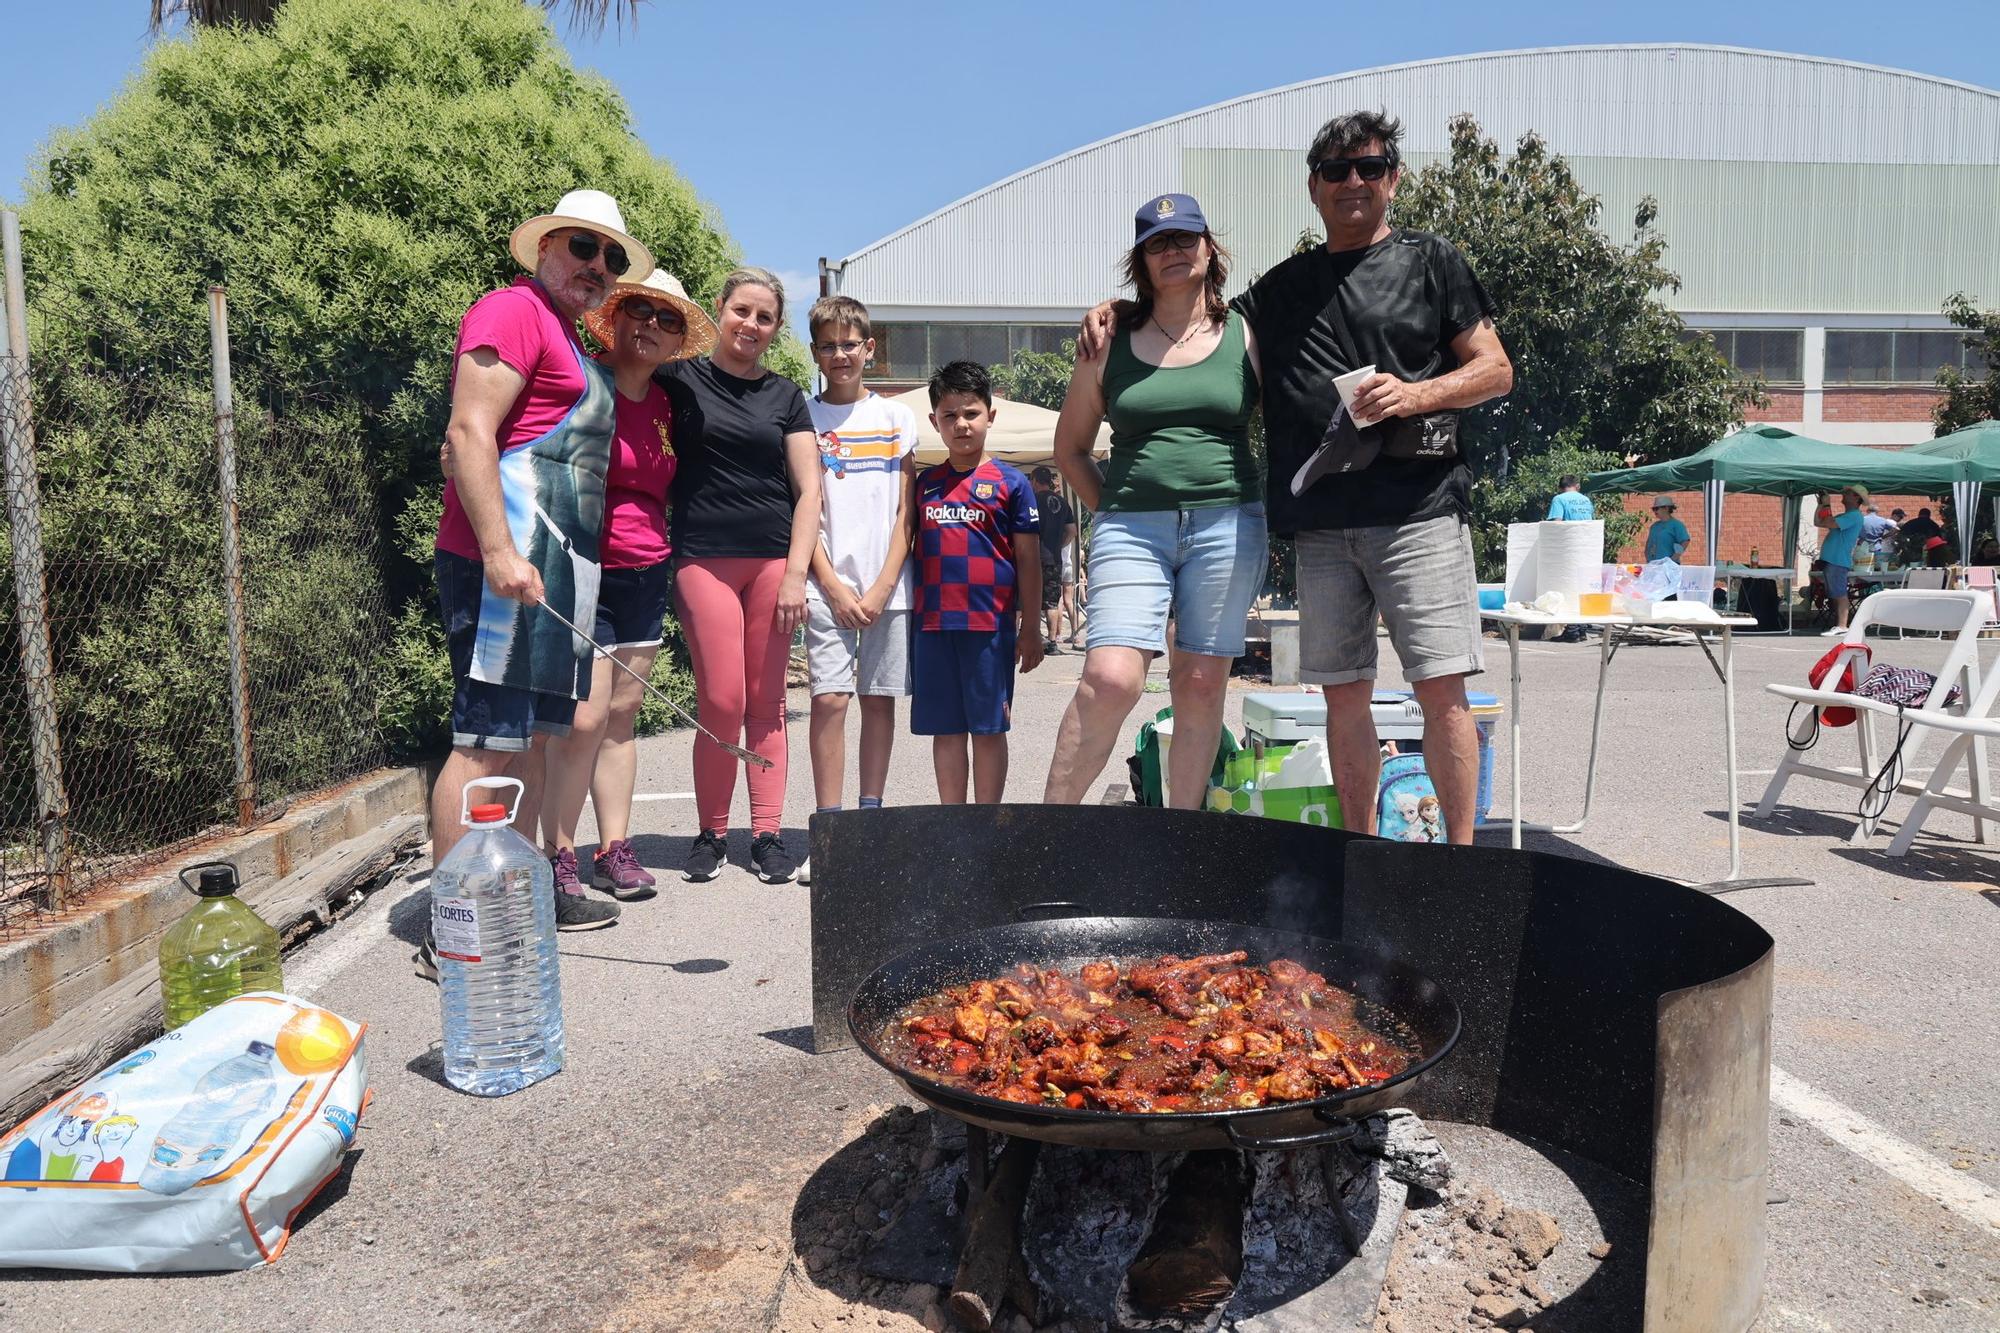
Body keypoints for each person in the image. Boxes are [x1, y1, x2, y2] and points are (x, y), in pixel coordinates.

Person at [1076, 110, 1512, 842]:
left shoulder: (1431, 261)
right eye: (1336, 171)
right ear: (1313, 186)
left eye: (1369, 168)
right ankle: (1356, 853)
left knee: (1440, 689)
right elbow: (1193, 320)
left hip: (1421, 512)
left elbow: (1495, 369)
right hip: (1323, 525)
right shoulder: (1281, 291)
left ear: (1393, 178)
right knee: (1344, 697)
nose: (1353, 182)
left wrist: (1416, 393)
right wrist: (1120, 309)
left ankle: (1459, 864)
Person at [429, 188, 653, 954]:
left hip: (556, 572)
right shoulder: (511, 310)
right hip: (507, 567)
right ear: (547, 246)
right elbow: (469, 429)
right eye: (584, 248)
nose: (597, 266)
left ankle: (512, 908)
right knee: (486, 743)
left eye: (612, 258)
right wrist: (497, 551)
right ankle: (454, 928)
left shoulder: (567, 335)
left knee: (525, 747)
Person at [1044, 192, 1267, 809]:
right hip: (1131, 529)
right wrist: (1116, 511)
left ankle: (1179, 839)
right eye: (1156, 243)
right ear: (1140, 261)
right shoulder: (1107, 339)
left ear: (1209, 248)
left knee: (1199, 683)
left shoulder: (1248, 333)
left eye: (1184, 238)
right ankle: (1045, 838)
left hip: (1228, 523)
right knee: (1110, 678)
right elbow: (1071, 450)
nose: (1172, 251)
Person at [542, 269, 716, 903]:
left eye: (668, 321)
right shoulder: (579, 381)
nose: (651, 326)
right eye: (640, 311)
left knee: (620, 717)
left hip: (647, 569)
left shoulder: (670, 405)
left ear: (677, 342)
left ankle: (613, 849)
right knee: (582, 719)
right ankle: (560, 855)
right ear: (614, 317)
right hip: (581, 566)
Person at [655, 268, 821, 884]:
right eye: (742, 311)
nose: (751, 325)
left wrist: (796, 575)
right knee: (722, 700)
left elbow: (809, 492)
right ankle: (712, 832)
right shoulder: (679, 378)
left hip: (774, 564)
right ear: (718, 311)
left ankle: (769, 834)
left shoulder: (786, 396)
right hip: (702, 558)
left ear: (776, 329)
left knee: (768, 702)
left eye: (765, 317)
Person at [800, 295, 919, 885]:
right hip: (827, 588)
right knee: (828, 700)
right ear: (815, 352)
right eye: (828, 345)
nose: (840, 354)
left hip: (889, 590)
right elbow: (805, 508)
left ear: (869, 348)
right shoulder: (802, 416)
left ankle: (869, 820)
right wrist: (831, 583)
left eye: (850, 344)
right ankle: (830, 828)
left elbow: (907, 513)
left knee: (878, 700)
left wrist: (881, 585)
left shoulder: (897, 418)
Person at [912, 361, 1042, 803]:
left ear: (990, 414)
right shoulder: (924, 484)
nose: (961, 424)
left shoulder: (1012, 483)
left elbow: (1028, 560)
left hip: (990, 628)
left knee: (988, 730)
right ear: (935, 422)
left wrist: (1030, 629)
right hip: (931, 627)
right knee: (946, 730)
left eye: (970, 413)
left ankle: (986, 827)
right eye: (949, 415)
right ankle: (954, 827)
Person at [1031, 467, 1077, 654]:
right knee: (1051, 601)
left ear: (1034, 480)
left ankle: (1027, 636)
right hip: (1054, 558)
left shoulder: (1031, 500)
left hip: (1032, 558)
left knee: (1026, 598)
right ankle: (1052, 643)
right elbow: (1072, 531)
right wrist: (1059, 545)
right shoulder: (1063, 502)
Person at [1546, 474, 1594, 641]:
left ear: (1561, 487)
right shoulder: (1586, 501)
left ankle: (1572, 631)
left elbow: (1557, 524)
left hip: (1568, 550)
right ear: (1577, 486)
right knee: (1581, 588)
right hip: (1587, 549)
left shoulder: (1559, 499)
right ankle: (1581, 630)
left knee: (1567, 587)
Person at [1816, 485, 1867, 634]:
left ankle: (1843, 626)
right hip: (1832, 560)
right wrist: (1821, 504)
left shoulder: (1854, 516)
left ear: (1857, 498)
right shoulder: (1845, 516)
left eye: (1848, 493)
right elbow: (1820, 522)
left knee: (1840, 593)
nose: (1843, 494)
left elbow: (1829, 522)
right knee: (1835, 593)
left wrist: (1826, 504)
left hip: (1838, 560)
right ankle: (1840, 625)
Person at [1644, 497, 1691, 563]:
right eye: (1653, 509)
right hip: (1653, 565)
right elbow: (1649, 544)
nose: (1655, 511)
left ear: (1666, 508)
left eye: (1656, 508)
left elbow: (1685, 541)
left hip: (1669, 566)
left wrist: (1674, 558)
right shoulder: (1654, 526)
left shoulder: (1676, 525)